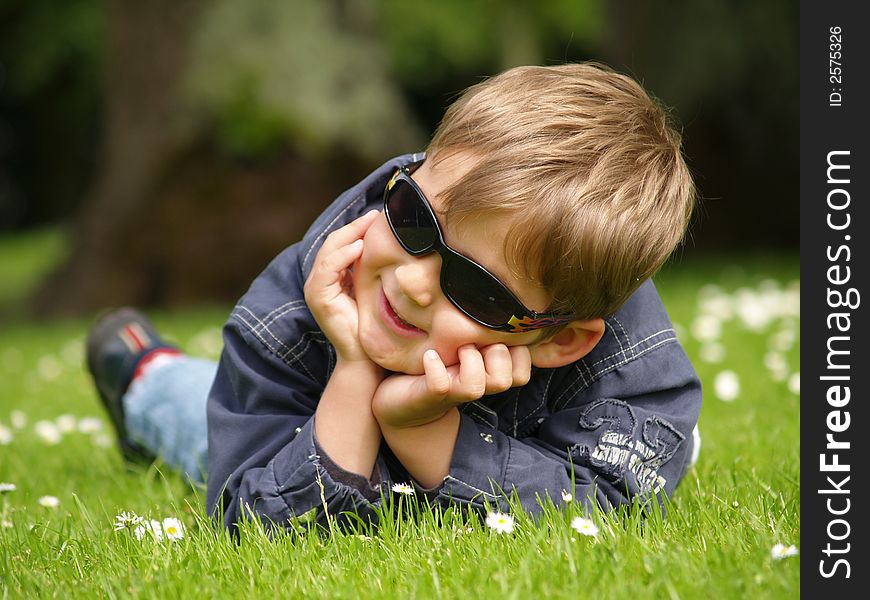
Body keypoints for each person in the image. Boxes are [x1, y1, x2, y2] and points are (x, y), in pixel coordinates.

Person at [86, 62, 701, 533]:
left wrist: (425, 432)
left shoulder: (624, 354)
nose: (411, 280)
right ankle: (146, 379)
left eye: (473, 287)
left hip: (515, 431)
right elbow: (257, 524)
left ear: (560, 337)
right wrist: (355, 373)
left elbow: (607, 507)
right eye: (413, 220)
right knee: (197, 420)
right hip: (298, 422)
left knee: (668, 448)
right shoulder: (288, 312)